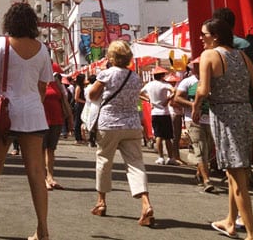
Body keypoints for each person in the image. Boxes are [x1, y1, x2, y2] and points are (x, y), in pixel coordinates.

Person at [0, 3, 53, 240]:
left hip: (4, 112)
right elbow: (44, 85)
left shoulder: (0, 44)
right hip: (33, 113)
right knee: (36, 171)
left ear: (9, 22)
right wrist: (33, 102)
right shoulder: (43, 49)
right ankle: (42, 229)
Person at [192, 18, 253, 240]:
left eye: (204, 34)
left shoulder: (209, 55)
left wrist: (196, 107)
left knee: (238, 178)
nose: (201, 38)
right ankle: (230, 221)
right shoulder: (242, 56)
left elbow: (203, 89)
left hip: (226, 116)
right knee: (233, 172)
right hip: (245, 114)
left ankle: (251, 234)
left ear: (215, 36)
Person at [87, 40, 155, 227]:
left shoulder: (106, 74)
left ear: (111, 57)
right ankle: (145, 204)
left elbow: (92, 95)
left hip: (109, 124)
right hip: (132, 124)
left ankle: (101, 202)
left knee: (104, 162)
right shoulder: (135, 77)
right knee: (136, 164)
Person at [174, 58, 215, 192]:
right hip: (193, 120)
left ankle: (199, 174)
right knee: (200, 148)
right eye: (196, 66)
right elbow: (177, 98)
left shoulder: (213, 81)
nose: (198, 68)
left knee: (208, 150)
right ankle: (206, 180)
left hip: (211, 119)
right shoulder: (187, 82)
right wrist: (193, 105)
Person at [43, 68, 73, 190]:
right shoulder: (36, 80)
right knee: (40, 150)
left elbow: (64, 100)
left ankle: (50, 177)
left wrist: (70, 118)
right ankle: (43, 178)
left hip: (56, 120)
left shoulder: (56, 82)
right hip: (41, 120)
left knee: (51, 149)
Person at [140, 66, 176, 165]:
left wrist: (148, 99)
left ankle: (160, 157)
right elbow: (174, 91)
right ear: (162, 75)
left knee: (158, 136)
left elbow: (139, 93)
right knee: (168, 137)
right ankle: (170, 157)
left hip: (155, 113)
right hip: (165, 112)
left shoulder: (149, 85)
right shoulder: (165, 84)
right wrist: (167, 100)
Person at [73, 73, 86, 144]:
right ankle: (77, 138)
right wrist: (84, 101)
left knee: (80, 121)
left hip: (81, 105)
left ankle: (80, 137)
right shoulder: (78, 87)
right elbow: (76, 98)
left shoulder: (81, 86)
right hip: (79, 105)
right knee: (77, 121)